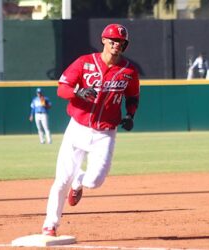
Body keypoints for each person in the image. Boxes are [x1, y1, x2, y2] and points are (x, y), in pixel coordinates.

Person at [41, 23, 140, 236]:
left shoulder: (129, 71)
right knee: (61, 180)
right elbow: (62, 88)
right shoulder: (85, 62)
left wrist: (130, 115)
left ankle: (80, 182)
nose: (117, 44)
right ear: (103, 40)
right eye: (113, 40)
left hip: (105, 132)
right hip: (77, 128)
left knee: (95, 181)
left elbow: (133, 96)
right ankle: (50, 224)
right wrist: (78, 91)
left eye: (121, 42)